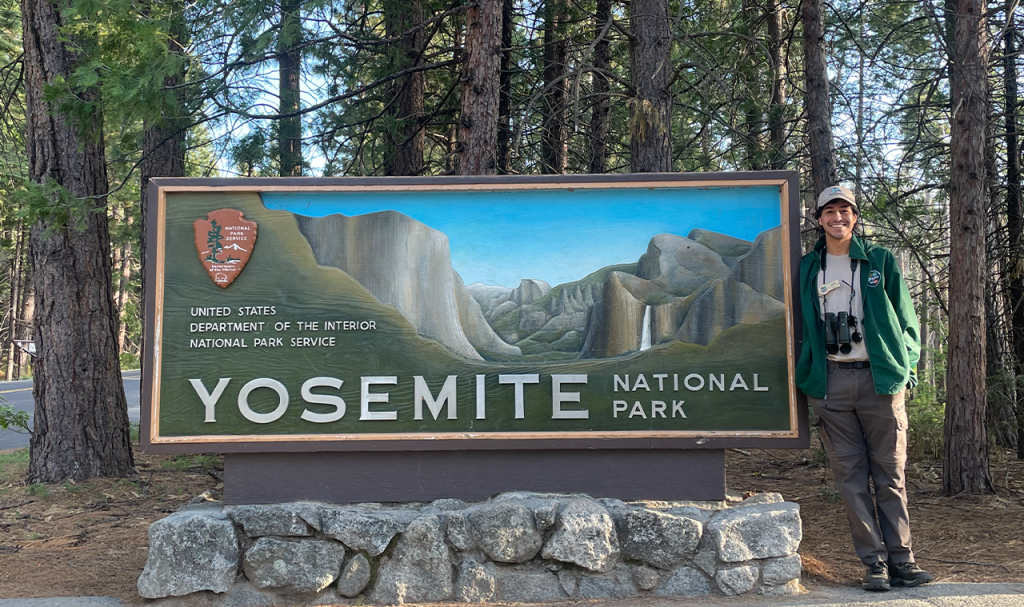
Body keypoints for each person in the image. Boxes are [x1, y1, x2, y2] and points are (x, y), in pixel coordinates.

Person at [795, 185, 934, 592]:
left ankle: (902, 561)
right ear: (818, 220)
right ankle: (873, 563)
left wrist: (905, 368)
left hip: (879, 379)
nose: (837, 218)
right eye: (829, 212)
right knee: (850, 479)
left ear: (855, 216)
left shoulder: (879, 260)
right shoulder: (808, 267)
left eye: (845, 211)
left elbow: (906, 320)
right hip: (831, 382)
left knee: (890, 475)